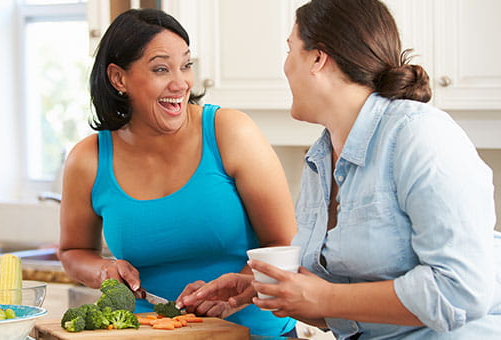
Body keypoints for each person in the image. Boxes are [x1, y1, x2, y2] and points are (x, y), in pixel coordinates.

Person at [179, 0, 501, 339]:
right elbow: (345, 309)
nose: (286, 67)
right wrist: (274, 291)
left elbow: (461, 291)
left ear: (318, 58)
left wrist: (322, 297)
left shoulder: (421, 136)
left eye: (290, 51)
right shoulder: (321, 159)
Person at [58, 8, 299, 337]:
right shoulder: (88, 159)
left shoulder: (230, 133)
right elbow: (73, 252)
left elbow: (283, 243)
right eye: (161, 69)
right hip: (150, 332)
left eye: (186, 65)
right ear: (118, 78)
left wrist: (238, 292)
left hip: (253, 332)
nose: (181, 82)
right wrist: (103, 270)